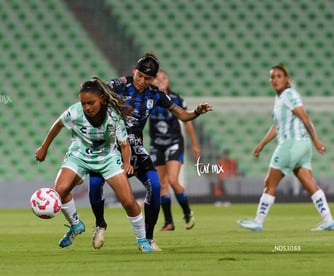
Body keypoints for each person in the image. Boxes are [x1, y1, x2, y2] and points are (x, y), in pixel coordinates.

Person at [88, 53, 213, 251]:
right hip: (110, 144)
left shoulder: (155, 94)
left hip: (135, 146)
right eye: (139, 76)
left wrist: (196, 112)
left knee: (155, 186)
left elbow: (181, 114)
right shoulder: (120, 84)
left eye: (147, 78)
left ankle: (148, 238)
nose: (142, 81)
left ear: (153, 79)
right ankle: (100, 224)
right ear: (134, 71)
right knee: (94, 184)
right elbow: (95, 90)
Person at [35, 77, 154, 252]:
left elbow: (124, 144)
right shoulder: (75, 112)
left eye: (91, 103)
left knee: (128, 202)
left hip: (108, 159)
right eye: (83, 103)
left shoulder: (113, 116)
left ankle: (142, 240)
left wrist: (127, 163)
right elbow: (57, 125)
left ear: (102, 99)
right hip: (79, 156)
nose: (87, 107)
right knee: (60, 190)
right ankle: (76, 225)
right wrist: (44, 148)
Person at [237, 63, 334, 231]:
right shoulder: (280, 99)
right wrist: (262, 144)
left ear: (286, 79)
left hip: (291, 144)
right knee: (310, 184)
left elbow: (304, 117)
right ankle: (328, 220)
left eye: (279, 76)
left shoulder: (289, 94)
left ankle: (258, 222)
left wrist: (316, 140)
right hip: (302, 146)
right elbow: (277, 126)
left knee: (270, 182)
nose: (275, 79)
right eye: (272, 76)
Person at [149, 69, 200, 231]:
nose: (161, 80)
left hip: (174, 143)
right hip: (157, 145)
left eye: (164, 78)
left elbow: (187, 121)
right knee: (161, 184)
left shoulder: (177, 99)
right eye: (157, 78)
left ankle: (187, 212)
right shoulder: (148, 98)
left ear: (168, 81)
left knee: (172, 180)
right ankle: (169, 222)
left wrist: (195, 144)